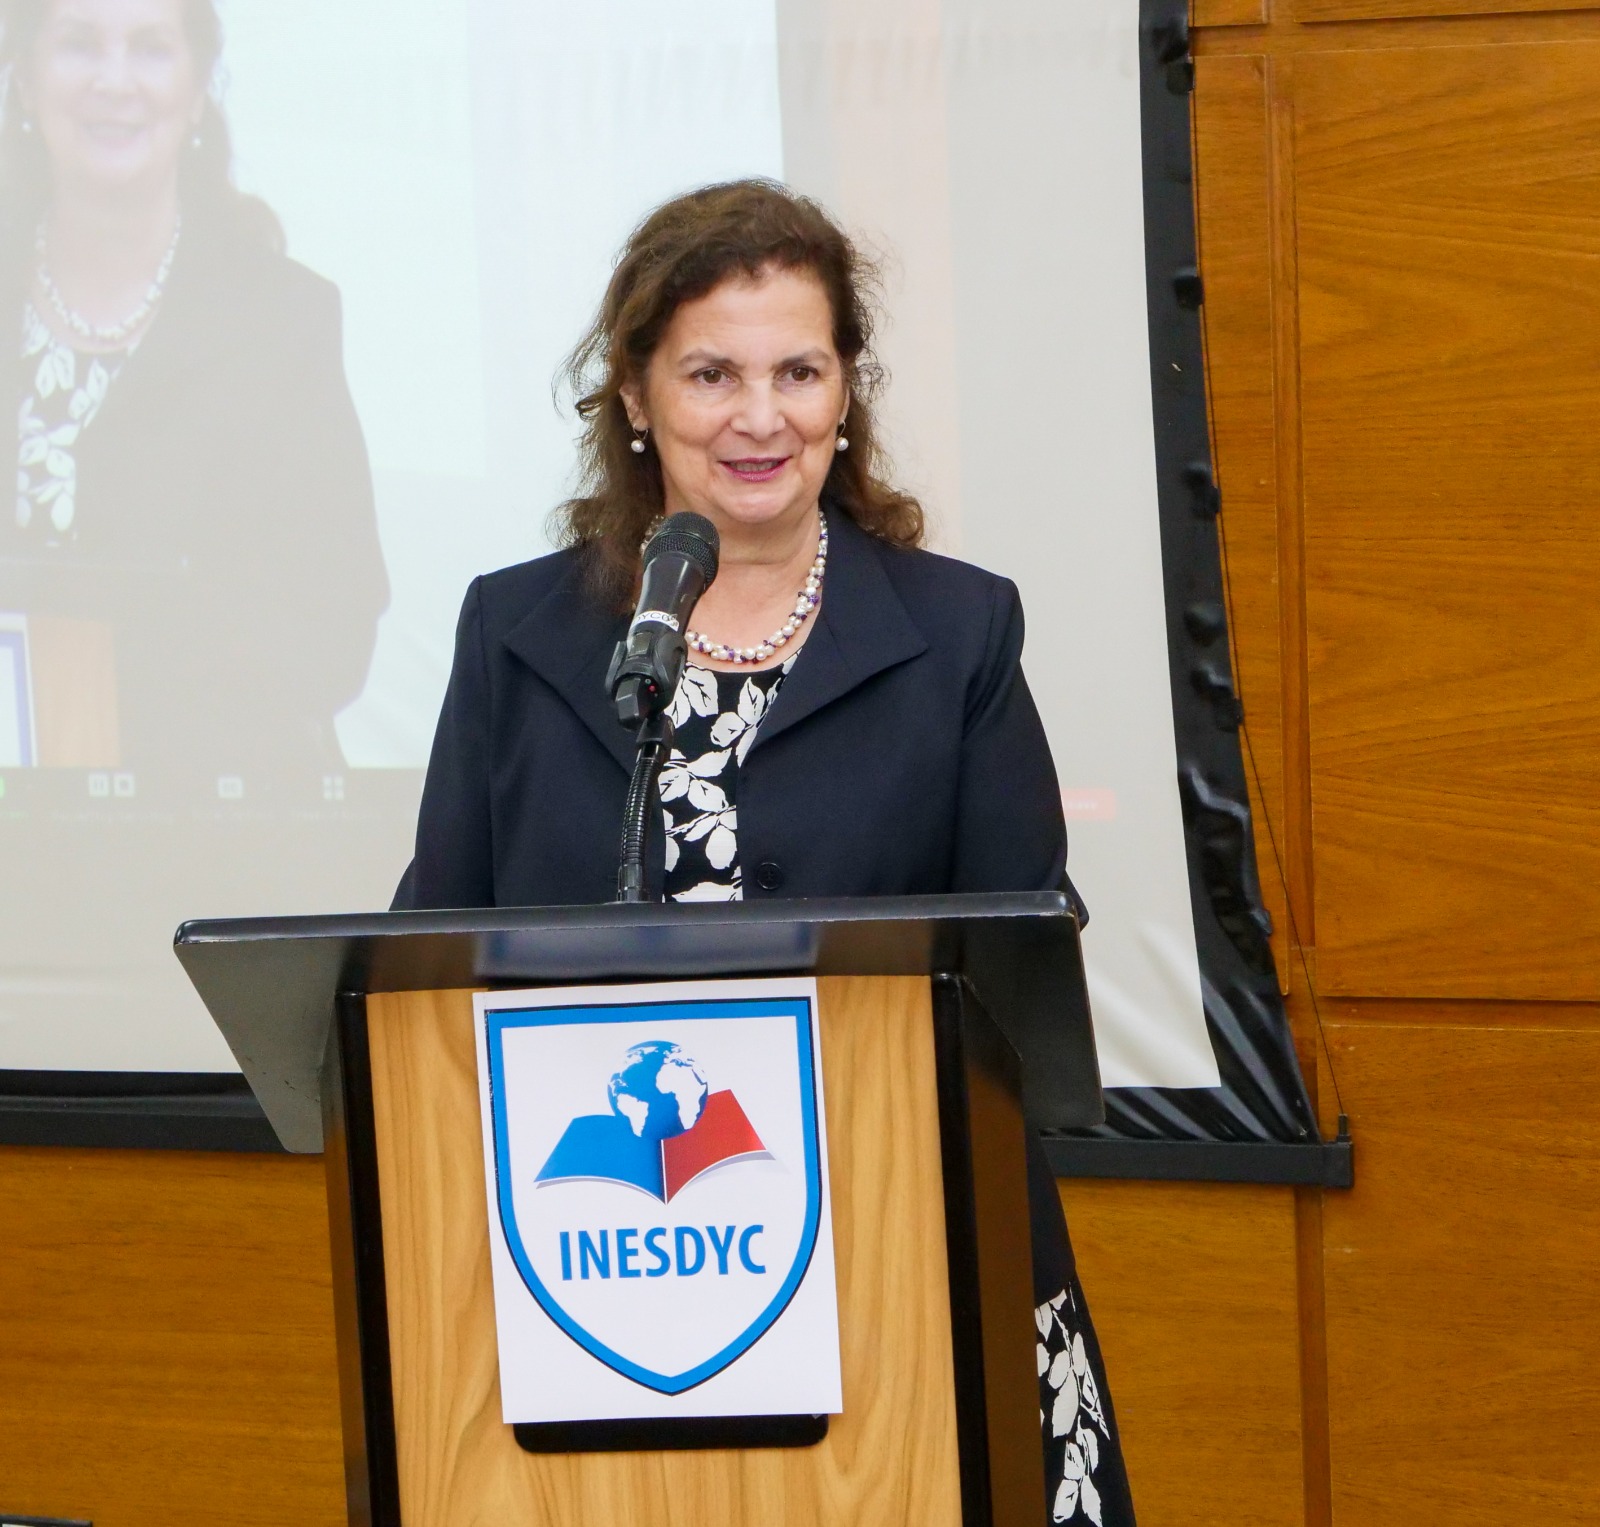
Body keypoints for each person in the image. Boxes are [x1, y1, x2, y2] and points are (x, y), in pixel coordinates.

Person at [395, 178, 1136, 1525]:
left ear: (847, 390)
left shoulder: (957, 632)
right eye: (711, 374)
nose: (761, 415)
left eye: (799, 369)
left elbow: (1020, 964)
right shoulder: (517, 633)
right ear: (635, 395)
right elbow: (428, 958)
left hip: (906, 1248)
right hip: (600, 1276)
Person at [0, 0, 388, 775]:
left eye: (150, 48)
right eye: (80, 44)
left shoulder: (283, 320)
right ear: (26, 81)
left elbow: (335, 622)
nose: (115, 81)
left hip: (212, 809)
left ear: (199, 87)